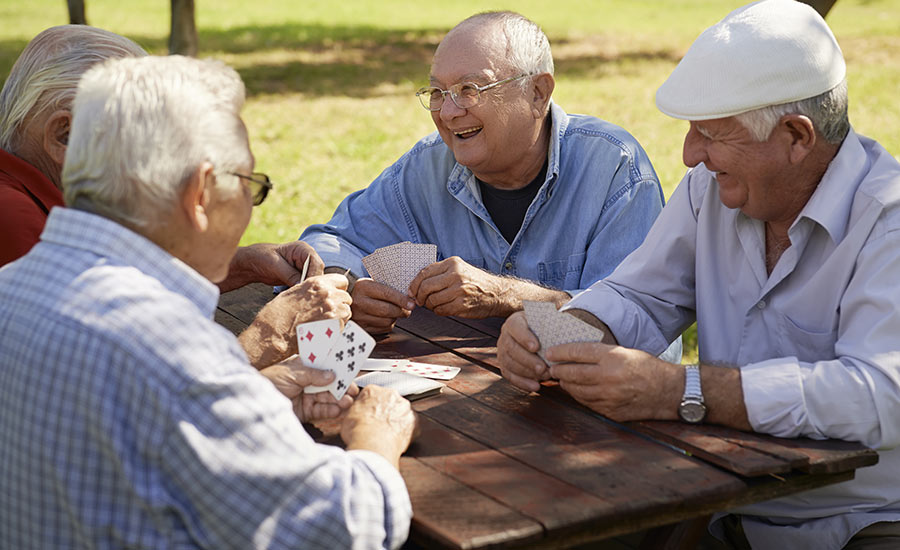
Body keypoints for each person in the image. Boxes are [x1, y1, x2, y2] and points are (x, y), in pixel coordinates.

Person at [498, 1, 900, 548]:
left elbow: (877, 394)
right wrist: (563, 328)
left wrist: (682, 390)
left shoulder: (888, 221)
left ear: (796, 136)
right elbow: (639, 295)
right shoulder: (711, 189)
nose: (690, 155)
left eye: (712, 134)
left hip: (864, 519)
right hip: (723, 500)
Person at [0, 55, 416, 549]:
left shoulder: (13, 285)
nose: (247, 208)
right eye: (249, 186)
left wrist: (254, 396)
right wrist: (378, 432)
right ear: (200, 193)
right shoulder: (170, 345)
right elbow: (347, 526)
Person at [300, 11, 669, 338]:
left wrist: (505, 297)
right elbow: (328, 241)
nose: (447, 113)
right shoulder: (427, 167)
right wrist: (348, 288)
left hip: (577, 409)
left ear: (538, 93)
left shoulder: (615, 171)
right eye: (438, 92)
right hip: (457, 405)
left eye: (469, 90)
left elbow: (633, 331)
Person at [0, 25, 325, 299]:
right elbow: (116, 336)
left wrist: (242, 265)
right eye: (141, 131)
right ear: (65, 136)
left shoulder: (48, 198)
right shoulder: (15, 217)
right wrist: (272, 334)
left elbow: (127, 284)